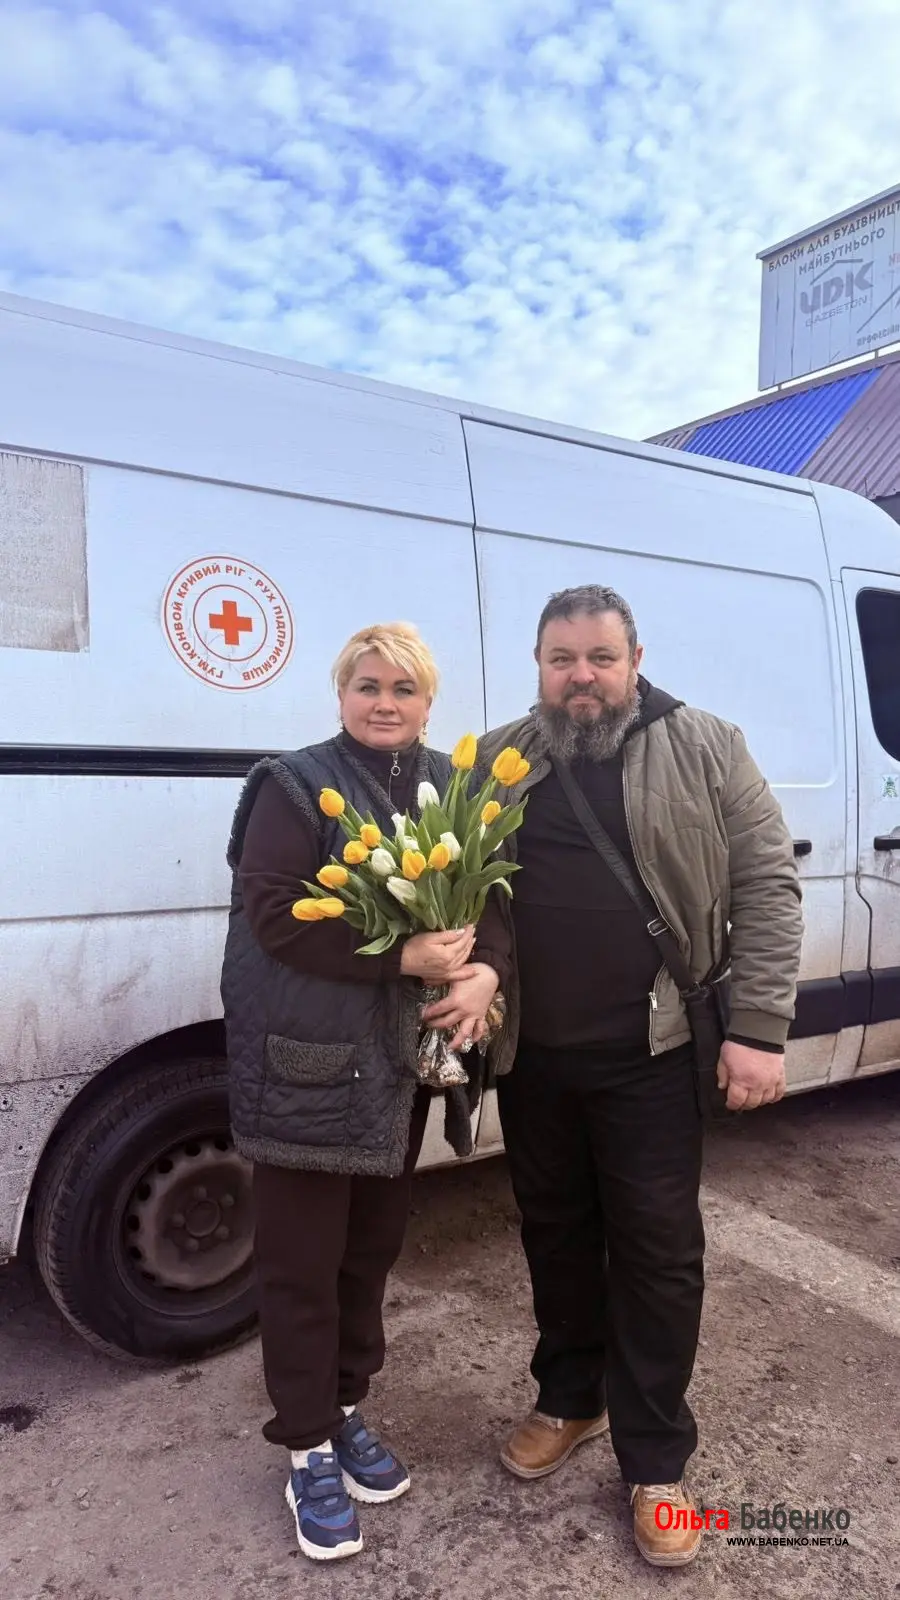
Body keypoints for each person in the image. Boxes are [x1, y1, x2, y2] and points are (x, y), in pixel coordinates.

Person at [479, 584, 802, 1568]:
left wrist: (759, 1029)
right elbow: (465, 892)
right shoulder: (500, 757)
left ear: (635, 660)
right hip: (534, 1057)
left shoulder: (706, 744)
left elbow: (767, 882)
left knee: (659, 1253)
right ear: (539, 665)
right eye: (561, 659)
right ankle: (570, 1398)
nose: (580, 677)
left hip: (654, 1056)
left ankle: (656, 1460)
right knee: (556, 1233)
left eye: (599, 658)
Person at [221, 622, 509, 1562]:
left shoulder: (456, 787)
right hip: (307, 1069)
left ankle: (343, 1407)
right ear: (341, 692)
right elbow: (274, 918)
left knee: (368, 1253)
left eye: (404, 688)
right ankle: (305, 1447)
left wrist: (484, 975)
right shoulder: (294, 785)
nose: (385, 703)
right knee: (302, 1264)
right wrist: (401, 958)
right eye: (368, 685)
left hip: (392, 1075)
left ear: (430, 701)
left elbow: (496, 906)